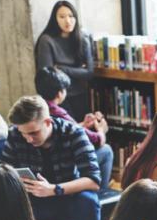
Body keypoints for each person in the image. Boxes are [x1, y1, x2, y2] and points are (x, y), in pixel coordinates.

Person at [0, 95, 101, 220]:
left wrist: (53, 189)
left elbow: (93, 181)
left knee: (88, 200)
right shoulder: (15, 134)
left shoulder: (73, 133)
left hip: (66, 194)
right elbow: (3, 170)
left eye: (34, 133)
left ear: (48, 122)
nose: (29, 139)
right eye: (24, 133)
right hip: (32, 198)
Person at [35, 66, 113, 195]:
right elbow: (97, 141)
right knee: (106, 151)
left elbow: (62, 130)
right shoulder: (58, 112)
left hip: (47, 166)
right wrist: (101, 130)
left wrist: (82, 125)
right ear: (60, 93)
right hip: (67, 165)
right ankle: (101, 194)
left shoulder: (38, 107)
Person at [34, 0, 94, 118]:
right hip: (58, 98)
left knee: (86, 128)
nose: (67, 21)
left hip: (80, 93)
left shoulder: (82, 39)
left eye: (71, 16)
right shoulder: (47, 41)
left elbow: (89, 72)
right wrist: (78, 70)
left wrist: (61, 68)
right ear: (55, 19)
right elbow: (48, 77)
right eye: (62, 17)